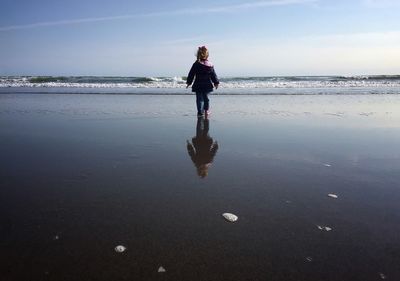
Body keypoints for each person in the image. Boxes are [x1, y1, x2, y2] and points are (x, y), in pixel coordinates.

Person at [186, 46, 219, 117]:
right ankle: (206, 111)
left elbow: (191, 74)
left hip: (198, 84)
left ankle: (200, 112)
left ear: (198, 54)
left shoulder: (196, 64)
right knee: (206, 98)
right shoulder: (210, 65)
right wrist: (216, 82)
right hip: (207, 85)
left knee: (199, 99)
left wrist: (189, 82)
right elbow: (213, 75)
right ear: (207, 55)